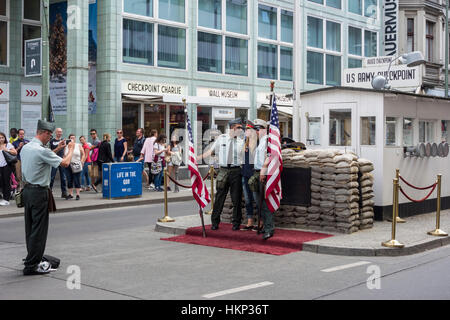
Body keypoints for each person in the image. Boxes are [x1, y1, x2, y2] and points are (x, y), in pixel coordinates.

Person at [21, 120, 75, 275]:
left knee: (30, 228)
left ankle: (31, 257)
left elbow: (40, 160)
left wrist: (58, 148)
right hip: (39, 192)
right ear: (43, 133)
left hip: (27, 190)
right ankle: (32, 265)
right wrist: (70, 149)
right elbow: (64, 163)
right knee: (39, 230)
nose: (50, 138)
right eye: (49, 135)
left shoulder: (26, 148)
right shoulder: (42, 150)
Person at [198, 118, 244, 231]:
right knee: (219, 198)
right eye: (239, 127)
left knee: (236, 199)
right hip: (223, 170)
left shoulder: (241, 141)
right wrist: (198, 158)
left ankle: (236, 223)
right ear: (233, 127)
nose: (241, 130)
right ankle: (215, 222)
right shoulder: (222, 139)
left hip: (236, 171)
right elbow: (211, 151)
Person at [251, 119, 275, 240]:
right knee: (259, 203)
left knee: (264, 203)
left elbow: (269, 157)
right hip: (257, 173)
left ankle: (269, 229)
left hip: (263, 174)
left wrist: (263, 171)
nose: (256, 131)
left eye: (258, 129)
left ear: (264, 129)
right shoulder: (261, 141)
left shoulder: (267, 141)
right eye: (255, 129)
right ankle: (265, 226)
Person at [241, 120, 258, 231]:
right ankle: (250, 221)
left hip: (253, 174)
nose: (246, 131)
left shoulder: (257, 143)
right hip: (245, 173)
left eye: (247, 129)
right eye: (245, 129)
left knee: (257, 199)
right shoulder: (245, 142)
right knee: (247, 199)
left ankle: (261, 221)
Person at [61, 134, 84, 200]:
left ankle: (77, 194)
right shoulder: (66, 146)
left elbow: (83, 154)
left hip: (76, 164)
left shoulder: (78, 145)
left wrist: (82, 161)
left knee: (76, 179)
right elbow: (64, 155)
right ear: (69, 139)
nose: (72, 139)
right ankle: (70, 194)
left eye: (73, 138)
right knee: (69, 179)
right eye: (71, 138)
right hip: (68, 165)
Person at [49, 128, 68, 198]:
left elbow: (65, 149)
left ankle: (64, 192)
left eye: (61, 132)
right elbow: (50, 151)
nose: (60, 133)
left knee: (63, 177)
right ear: (56, 133)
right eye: (58, 132)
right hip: (54, 161)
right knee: (52, 177)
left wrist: (65, 156)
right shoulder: (52, 141)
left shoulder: (63, 140)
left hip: (61, 160)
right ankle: (49, 191)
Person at [0, 132, 18, 206]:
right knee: (1, 182)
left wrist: (6, 150)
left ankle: (6, 199)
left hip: (6, 166)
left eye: (2, 137)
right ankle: (3, 196)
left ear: (5, 138)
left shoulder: (8, 145)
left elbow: (15, 152)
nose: (1, 139)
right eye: (0, 138)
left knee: (6, 182)